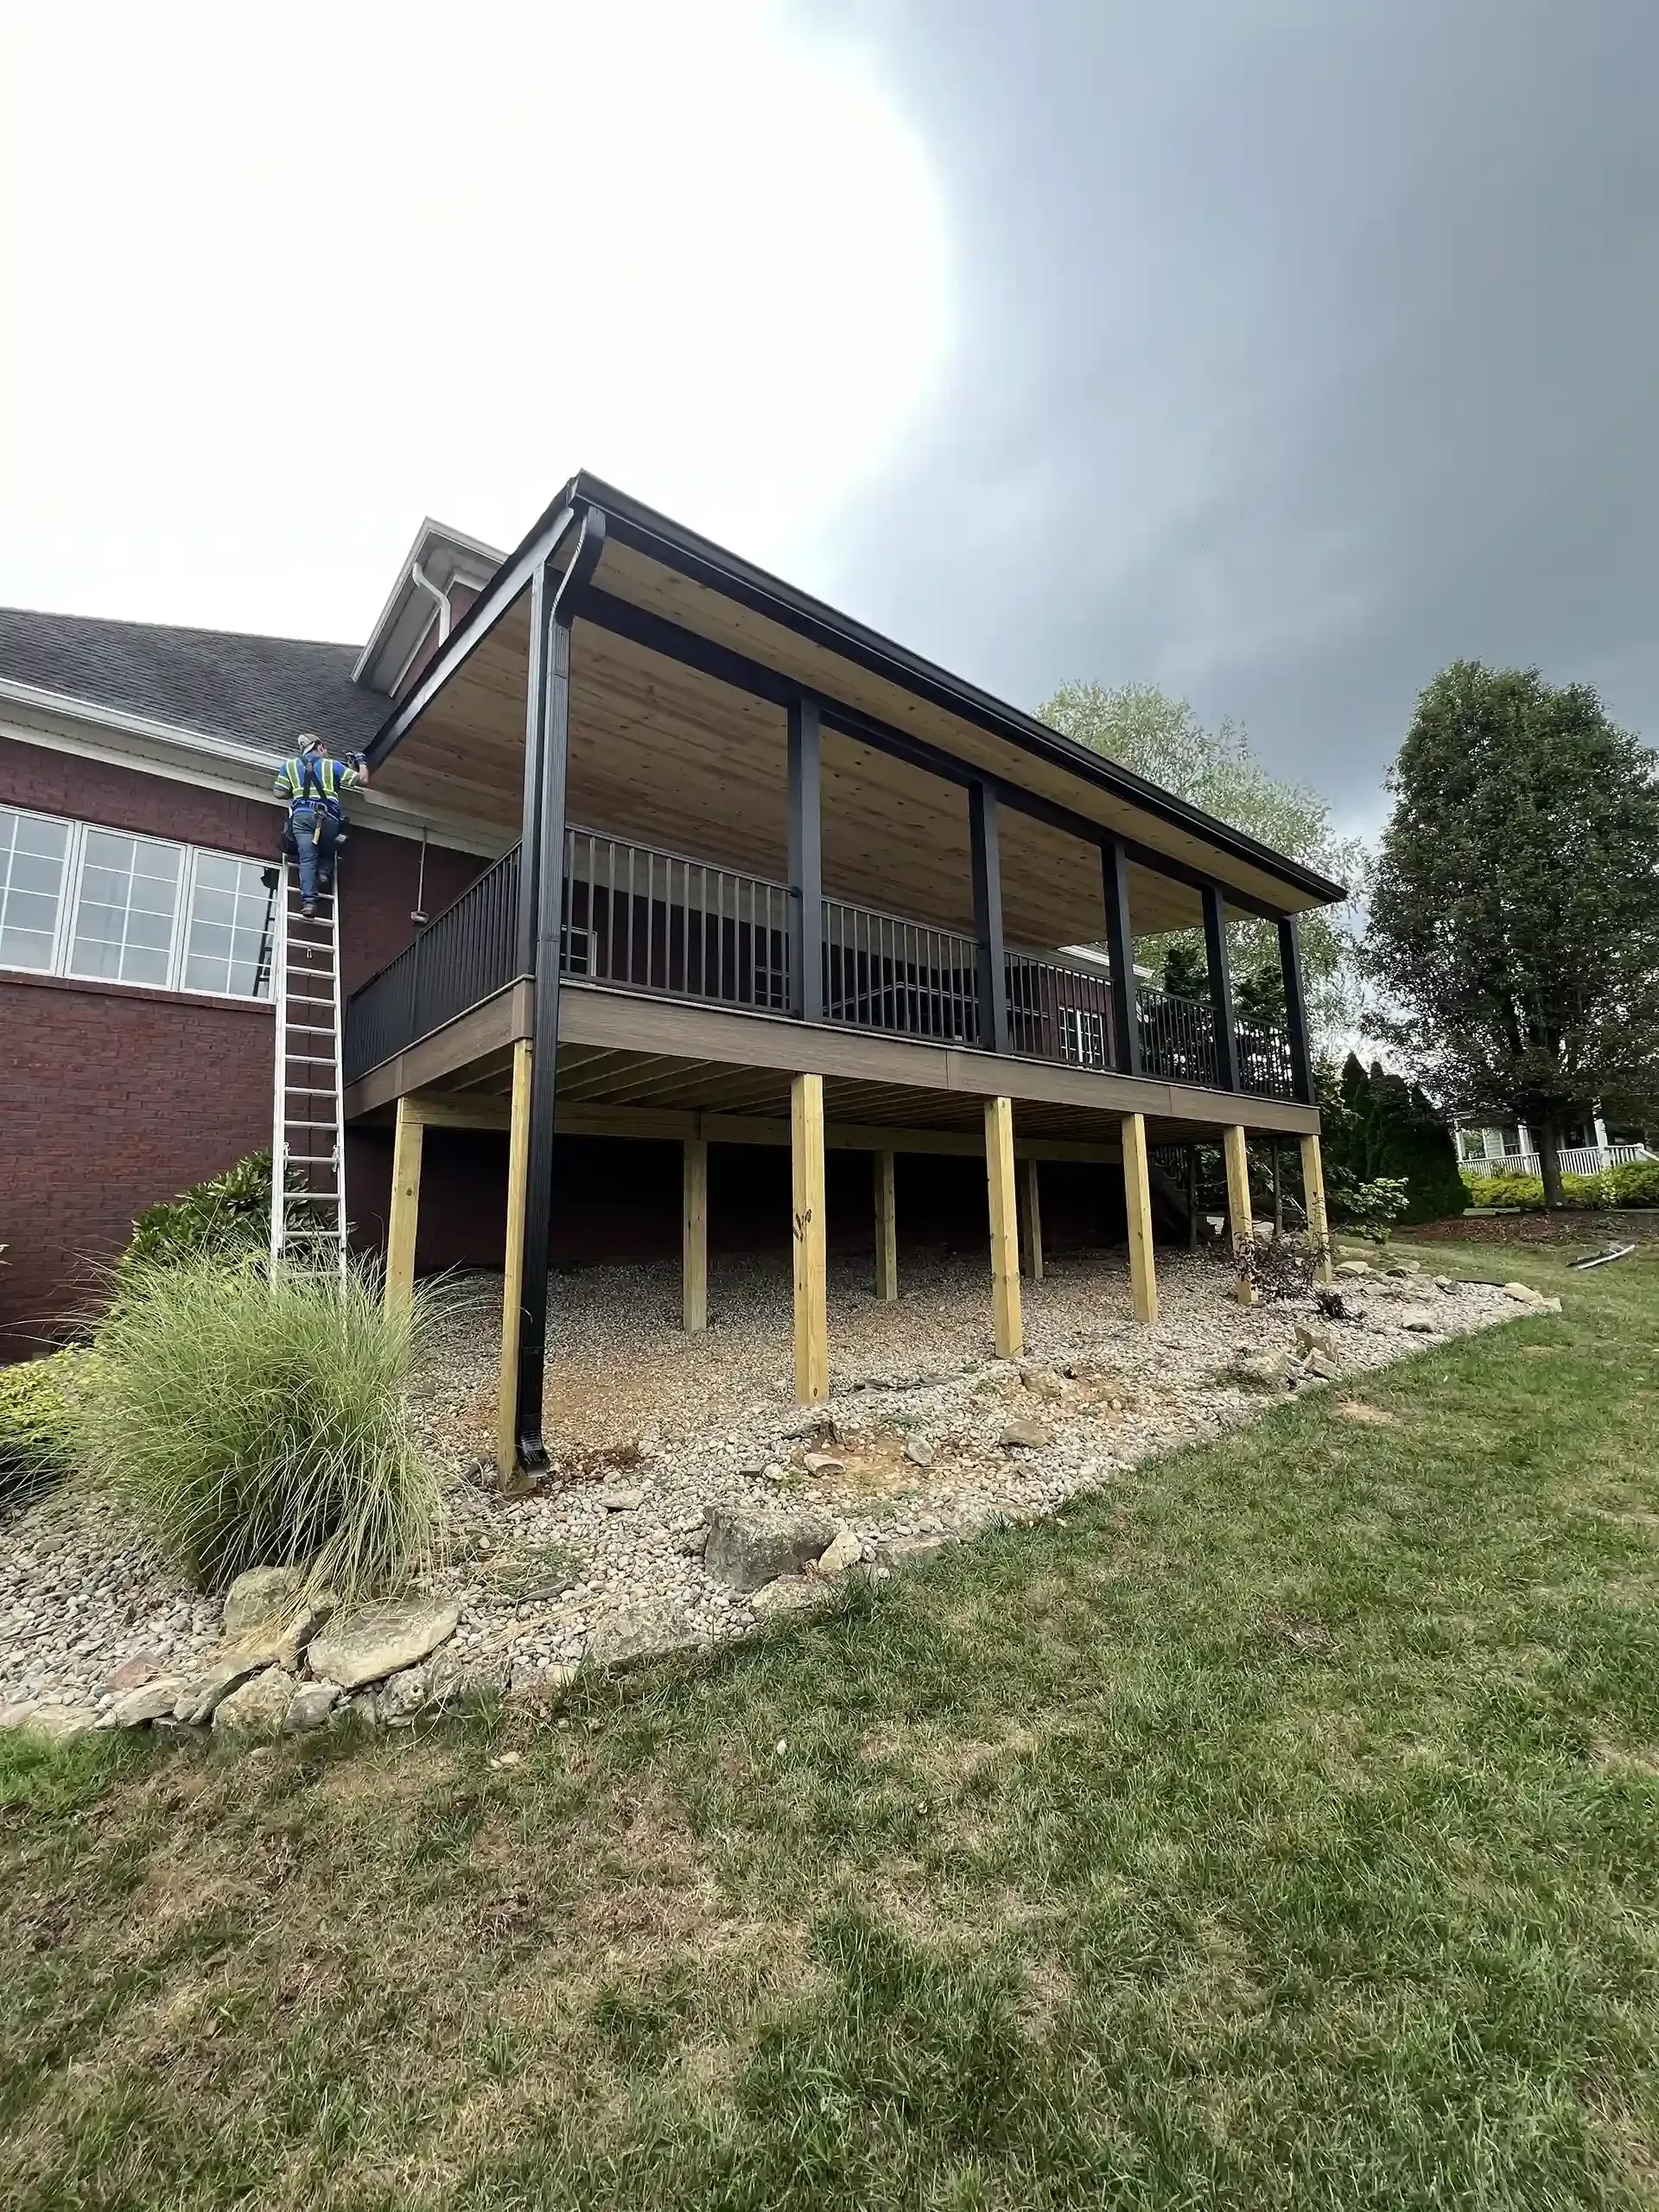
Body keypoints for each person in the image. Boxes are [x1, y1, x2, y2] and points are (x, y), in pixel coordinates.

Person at [273, 735, 368, 917]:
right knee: (330, 843)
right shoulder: (332, 766)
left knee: (307, 859)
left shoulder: (290, 765)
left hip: (301, 817)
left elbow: (279, 793)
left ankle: (308, 903)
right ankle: (324, 872)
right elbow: (362, 780)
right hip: (327, 816)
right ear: (320, 746)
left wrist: (297, 792)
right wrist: (361, 762)